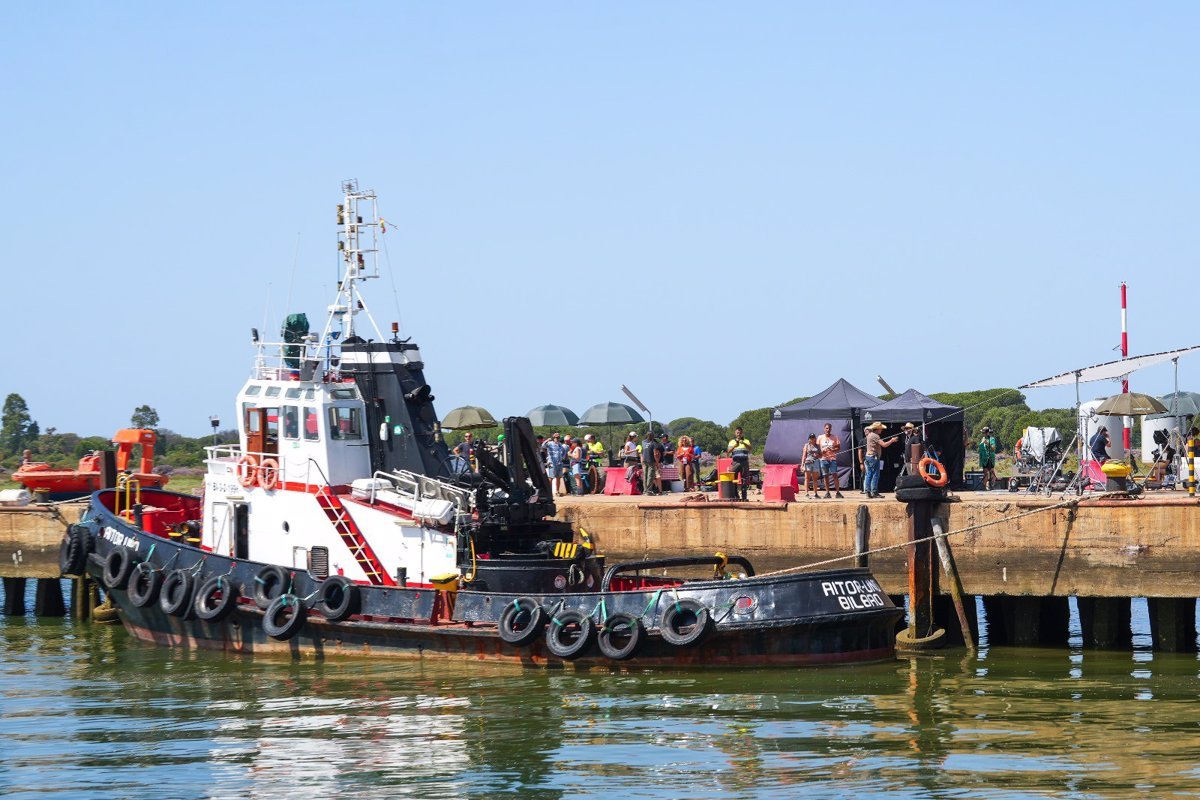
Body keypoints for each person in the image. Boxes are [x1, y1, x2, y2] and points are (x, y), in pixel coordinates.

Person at [863, 421, 898, 498]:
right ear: (877, 429)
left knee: (869, 474)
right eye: (880, 429)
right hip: (873, 457)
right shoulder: (875, 436)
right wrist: (892, 440)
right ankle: (874, 492)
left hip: (869, 456)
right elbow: (884, 445)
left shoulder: (870, 435)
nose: (881, 430)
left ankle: (868, 491)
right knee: (875, 474)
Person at [816, 423, 843, 499]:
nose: (828, 430)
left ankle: (838, 492)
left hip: (832, 459)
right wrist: (822, 451)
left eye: (829, 428)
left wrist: (833, 449)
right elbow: (817, 448)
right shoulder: (820, 437)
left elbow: (838, 448)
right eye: (826, 428)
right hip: (823, 459)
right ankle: (827, 493)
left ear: (831, 429)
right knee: (825, 476)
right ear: (824, 429)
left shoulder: (835, 437)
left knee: (835, 475)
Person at [725, 426, 752, 501]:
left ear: (742, 433)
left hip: (744, 462)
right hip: (735, 462)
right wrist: (734, 446)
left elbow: (750, 448)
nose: (738, 434)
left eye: (740, 433)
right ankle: (736, 496)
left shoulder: (746, 441)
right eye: (737, 433)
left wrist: (744, 443)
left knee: (744, 480)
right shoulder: (731, 442)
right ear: (735, 433)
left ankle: (744, 497)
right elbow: (728, 452)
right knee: (734, 479)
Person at [544, 432, 567, 496]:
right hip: (552, 463)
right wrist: (547, 440)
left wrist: (563, 457)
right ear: (553, 438)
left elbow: (564, 451)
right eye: (556, 437)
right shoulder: (549, 443)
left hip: (559, 463)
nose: (557, 439)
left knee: (558, 477)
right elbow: (543, 446)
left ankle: (557, 491)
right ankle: (548, 492)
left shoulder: (560, 445)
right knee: (551, 478)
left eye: (558, 438)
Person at [642, 429, 663, 494]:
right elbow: (655, 454)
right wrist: (657, 463)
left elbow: (643, 452)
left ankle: (645, 490)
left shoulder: (643, 442)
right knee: (650, 476)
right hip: (651, 461)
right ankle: (648, 490)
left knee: (645, 475)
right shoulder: (654, 443)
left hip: (645, 460)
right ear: (653, 436)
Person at [802, 433, 821, 498]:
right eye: (811, 438)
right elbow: (804, 455)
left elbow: (821, 455)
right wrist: (802, 464)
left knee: (815, 479)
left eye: (813, 437)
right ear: (809, 439)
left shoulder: (818, 446)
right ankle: (806, 493)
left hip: (815, 462)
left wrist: (817, 455)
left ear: (815, 438)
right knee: (807, 478)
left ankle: (815, 494)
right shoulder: (806, 445)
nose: (812, 439)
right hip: (808, 463)